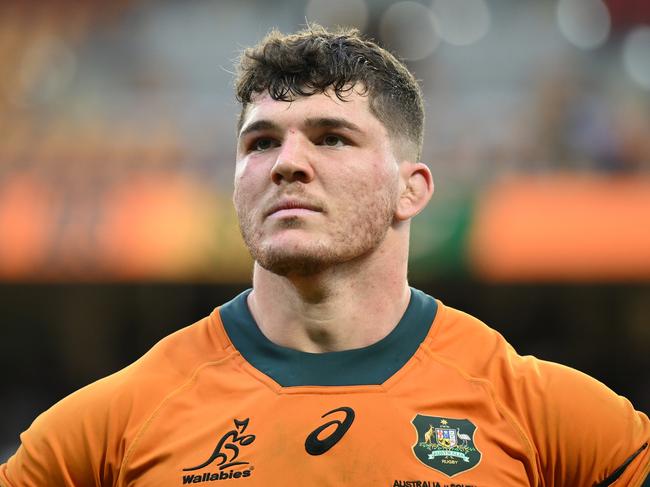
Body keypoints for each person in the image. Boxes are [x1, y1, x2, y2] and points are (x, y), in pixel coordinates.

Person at [1, 24, 649, 487]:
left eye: (331, 137)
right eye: (260, 143)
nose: (287, 164)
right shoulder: (111, 425)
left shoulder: (543, 414)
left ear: (410, 188)